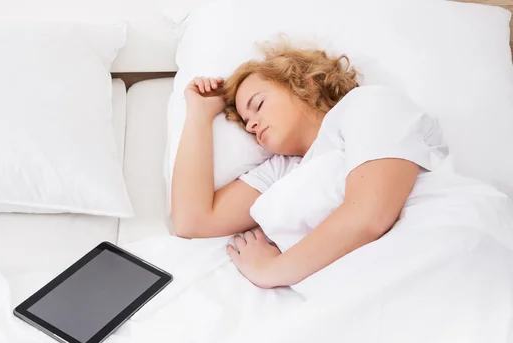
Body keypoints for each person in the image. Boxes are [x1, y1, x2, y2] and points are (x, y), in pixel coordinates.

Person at [169, 41, 504, 289]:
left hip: (448, 253)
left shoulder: (368, 105)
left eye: (257, 105)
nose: (252, 124)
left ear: (303, 83)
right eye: (245, 123)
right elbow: (192, 220)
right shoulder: (283, 171)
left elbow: (370, 214)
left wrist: (272, 271)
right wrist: (199, 116)